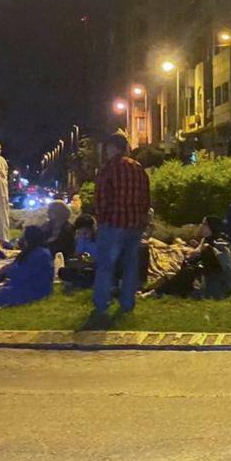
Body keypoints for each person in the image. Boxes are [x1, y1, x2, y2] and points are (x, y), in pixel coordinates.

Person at [91, 132, 151, 320]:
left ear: (111, 148)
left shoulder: (108, 169)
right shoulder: (138, 168)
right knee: (130, 265)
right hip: (134, 224)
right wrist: (142, 220)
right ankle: (127, 303)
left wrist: (102, 221)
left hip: (113, 224)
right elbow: (145, 198)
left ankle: (102, 303)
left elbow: (101, 199)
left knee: (106, 266)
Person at [155, 217, 231, 299]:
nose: (201, 226)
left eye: (205, 224)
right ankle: (153, 291)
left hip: (216, 284)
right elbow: (195, 257)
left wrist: (206, 250)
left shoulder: (221, 242)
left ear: (212, 227)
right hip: (204, 277)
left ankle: (156, 292)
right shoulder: (206, 241)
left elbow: (224, 266)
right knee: (175, 275)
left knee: (187, 273)